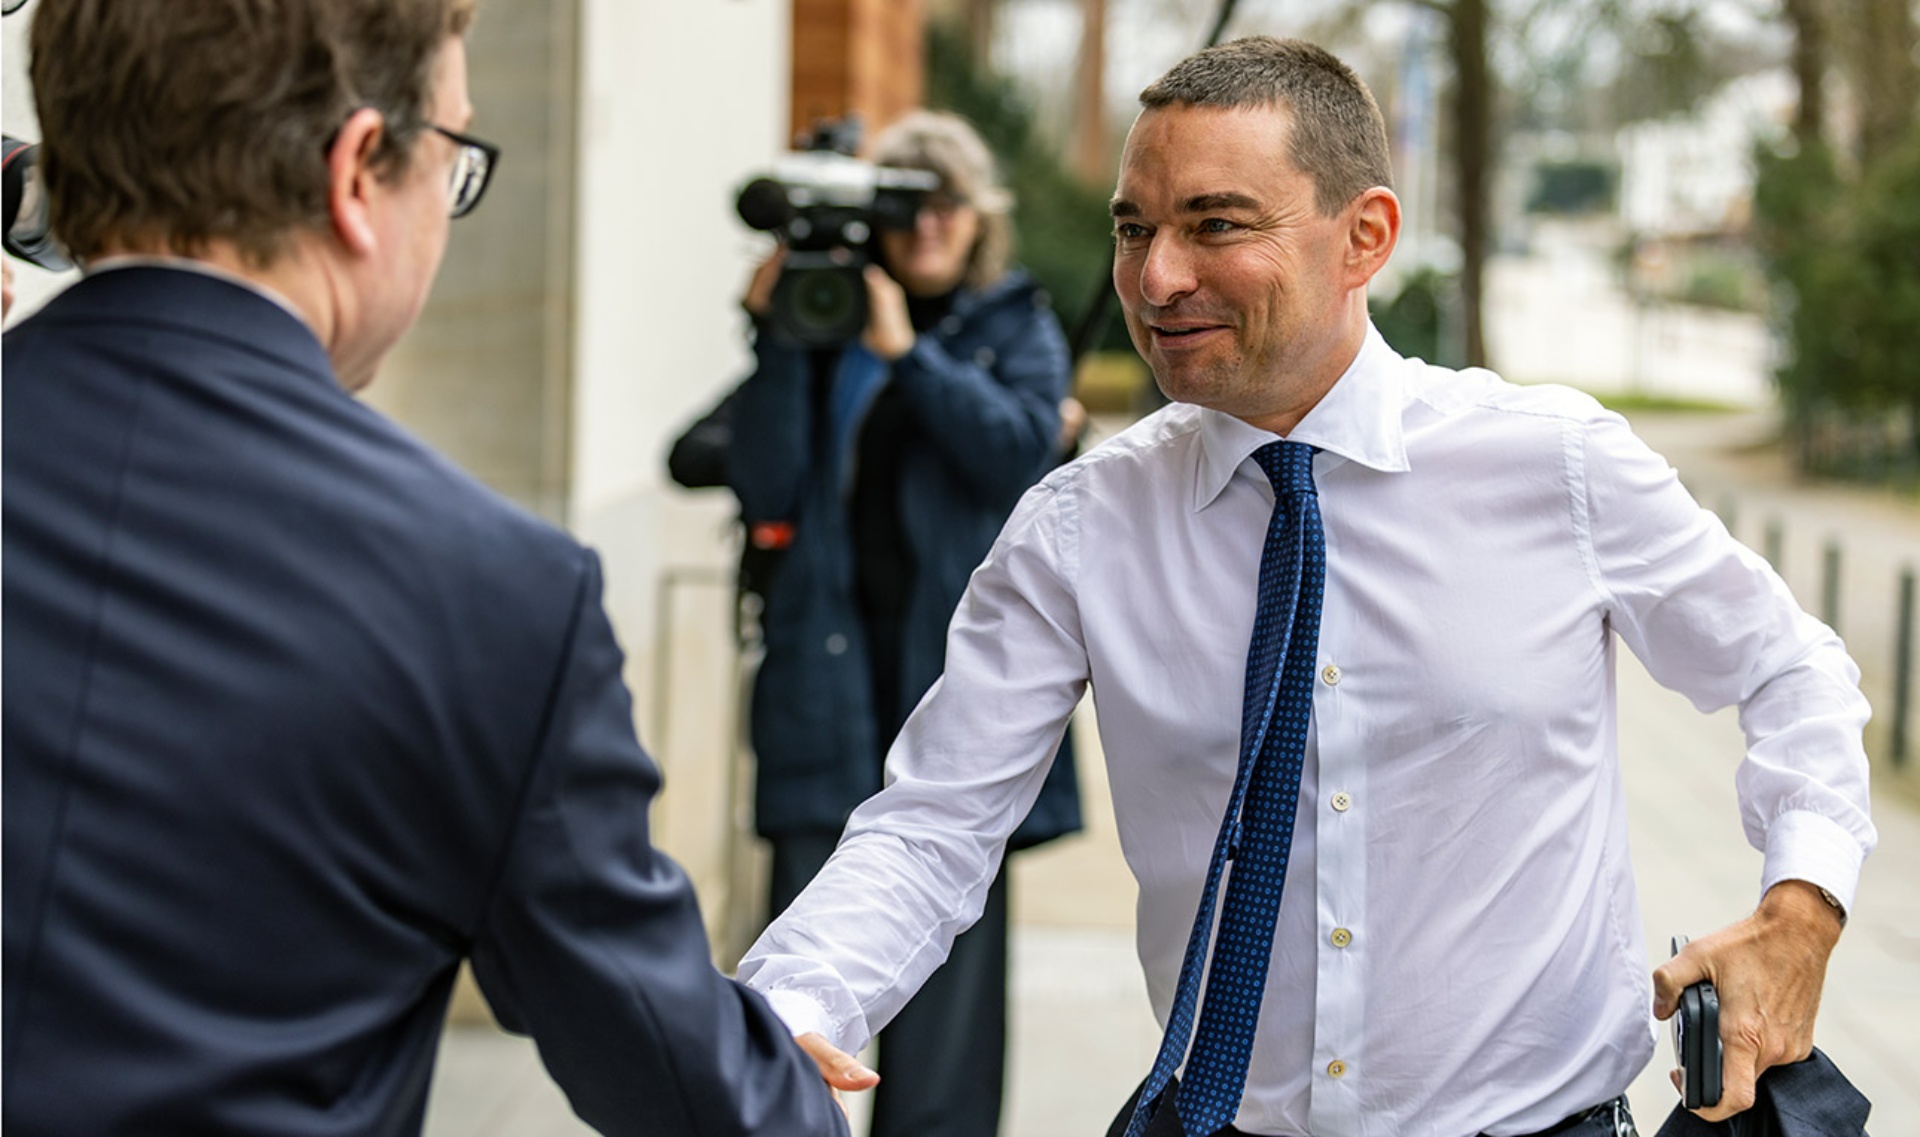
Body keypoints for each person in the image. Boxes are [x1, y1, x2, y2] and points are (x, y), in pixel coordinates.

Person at [740, 36, 1876, 1137]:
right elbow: (934, 822)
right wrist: (785, 1008)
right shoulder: (1078, 527)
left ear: (1365, 236)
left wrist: (1802, 905)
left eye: (1215, 225)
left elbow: (1790, 667)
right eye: (1134, 228)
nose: (1154, 277)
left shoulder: (1558, 467)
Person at [0, 2, 859, 1134]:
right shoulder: (494, 596)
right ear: (360, 169)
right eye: (454, 159)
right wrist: (777, 1076)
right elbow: (687, 1082)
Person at [722, 109, 1084, 1137]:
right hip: (828, 693)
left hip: (958, 707)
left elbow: (1020, 451)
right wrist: (778, 338)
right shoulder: (822, 320)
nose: (926, 226)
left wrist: (909, 356)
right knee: (796, 999)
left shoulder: (1013, 322)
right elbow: (764, 479)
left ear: (980, 220)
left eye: (948, 205)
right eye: (904, 205)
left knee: (947, 1051)